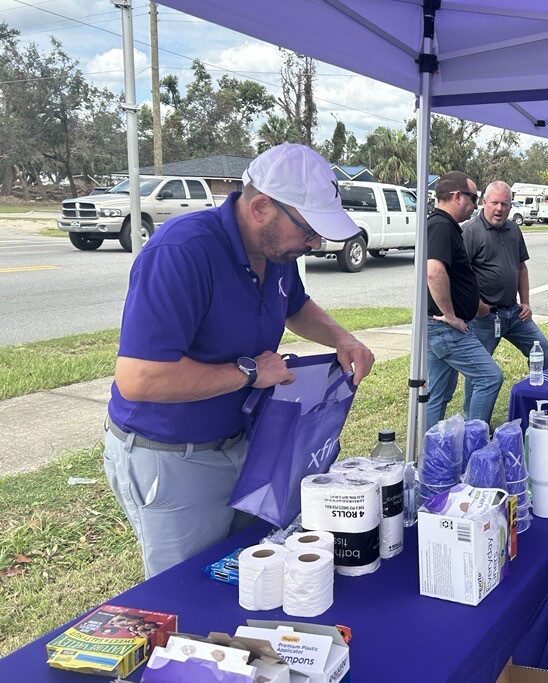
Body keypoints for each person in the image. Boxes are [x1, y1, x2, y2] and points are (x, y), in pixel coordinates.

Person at [104, 143, 376, 577]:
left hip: (244, 442)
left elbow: (296, 306)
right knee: (190, 589)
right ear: (262, 207)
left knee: (252, 570)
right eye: (308, 230)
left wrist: (341, 337)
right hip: (174, 456)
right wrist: (248, 373)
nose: (316, 242)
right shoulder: (182, 251)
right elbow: (140, 379)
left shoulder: (276, 252)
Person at [462, 180, 548, 413]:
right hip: (484, 317)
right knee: (480, 372)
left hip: (513, 313)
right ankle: (474, 424)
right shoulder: (471, 231)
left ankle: (545, 405)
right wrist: (476, 304)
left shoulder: (513, 229)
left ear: (511, 206)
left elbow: (521, 267)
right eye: (495, 203)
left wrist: (526, 302)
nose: (499, 209)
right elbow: (460, 275)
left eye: (505, 204)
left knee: (540, 346)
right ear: (484, 203)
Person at [424, 171, 504, 428]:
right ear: (457, 196)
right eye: (473, 197)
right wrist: (449, 314)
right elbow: (433, 271)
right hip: (445, 328)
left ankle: (429, 451)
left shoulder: (444, 225)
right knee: (490, 377)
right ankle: (474, 445)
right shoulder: (440, 225)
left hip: (438, 327)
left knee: (437, 395)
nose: (475, 204)